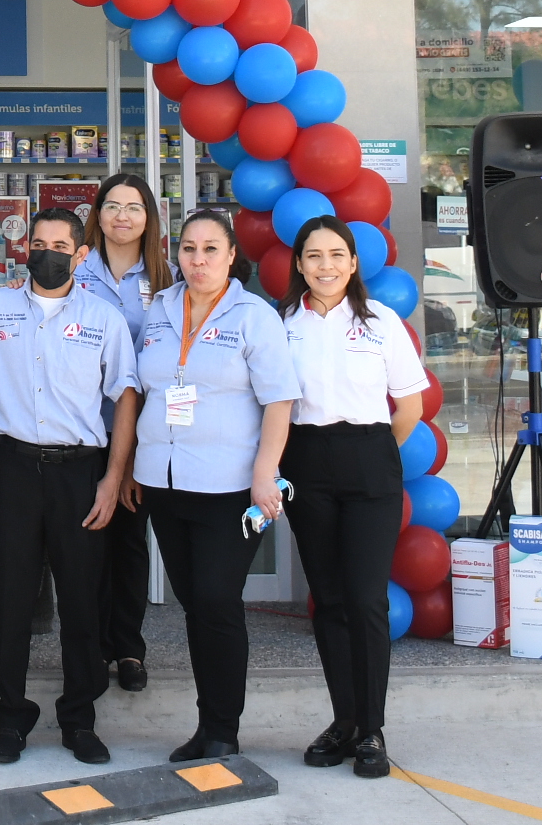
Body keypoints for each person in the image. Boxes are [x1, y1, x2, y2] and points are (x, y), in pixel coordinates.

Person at [0, 206, 137, 766]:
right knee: (11, 599)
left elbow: (125, 397)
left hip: (80, 472)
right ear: (25, 248)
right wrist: (7, 426)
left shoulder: (104, 318)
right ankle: (11, 718)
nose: (47, 254)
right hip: (14, 469)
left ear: (80, 255)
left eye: (61, 246)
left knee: (82, 600)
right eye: (39, 244)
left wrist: (112, 478)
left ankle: (79, 719)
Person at [133, 208, 297, 762]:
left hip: (229, 486)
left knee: (217, 601)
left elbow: (280, 400)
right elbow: (147, 388)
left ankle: (223, 730)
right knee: (194, 604)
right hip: (163, 481)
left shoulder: (254, 316)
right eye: (188, 249)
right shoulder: (159, 309)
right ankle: (207, 725)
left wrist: (265, 474)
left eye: (210, 249)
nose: (197, 260)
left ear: (231, 256)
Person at [281, 216, 428, 781]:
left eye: (336, 255)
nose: (326, 266)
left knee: (367, 600)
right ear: (299, 264)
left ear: (353, 262)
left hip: (369, 462)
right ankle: (343, 721)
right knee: (330, 600)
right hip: (305, 463)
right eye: (314, 256)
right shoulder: (281, 324)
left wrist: (372, 453)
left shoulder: (381, 321)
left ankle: (371, 728)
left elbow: (409, 407)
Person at [76, 170, 171, 694]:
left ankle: (128, 647)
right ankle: (89, 646)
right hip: (82, 430)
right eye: (112, 206)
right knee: (86, 541)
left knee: (130, 542)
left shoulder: (167, 277)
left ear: (148, 218)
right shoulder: (76, 267)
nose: (122, 217)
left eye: (134, 207)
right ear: (98, 214)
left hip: (140, 434)